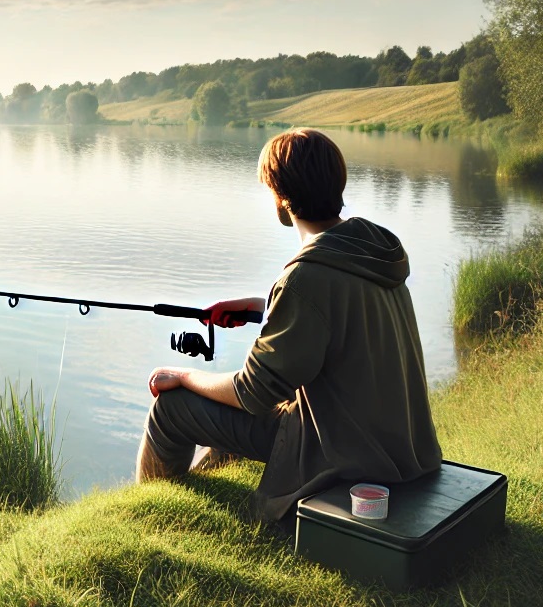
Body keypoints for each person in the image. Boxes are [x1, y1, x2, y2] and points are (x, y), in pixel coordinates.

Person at [139, 127, 442, 523]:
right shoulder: (370, 248)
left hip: (342, 453)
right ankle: (199, 488)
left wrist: (182, 375)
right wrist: (261, 308)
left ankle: (150, 516)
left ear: (281, 198)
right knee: (228, 413)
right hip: (404, 449)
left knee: (171, 408)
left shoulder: (306, 278)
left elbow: (252, 393)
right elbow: (344, 318)